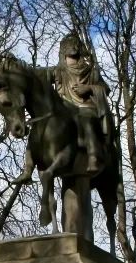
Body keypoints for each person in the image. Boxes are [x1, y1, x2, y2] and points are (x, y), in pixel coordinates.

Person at [38, 31, 115, 174]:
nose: (72, 48)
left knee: (86, 118)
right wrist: (15, 68)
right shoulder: (57, 71)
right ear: (63, 51)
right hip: (66, 110)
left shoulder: (91, 71)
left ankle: (94, 155)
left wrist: (89, 88)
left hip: (86, 108)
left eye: (75, 45)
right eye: (68, 46)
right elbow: (35, 74)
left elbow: (105, 89)